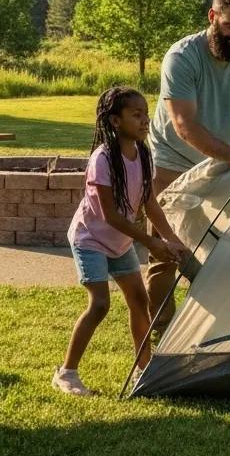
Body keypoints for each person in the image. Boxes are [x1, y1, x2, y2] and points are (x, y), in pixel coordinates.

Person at [146, 0, 230, 341]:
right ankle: (160, 337)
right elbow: (184, 125)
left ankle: (214, 331)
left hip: (216, 168)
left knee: (220, 250)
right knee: (166, 254)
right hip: (169, 166)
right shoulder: (182, 57)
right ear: (212, 17)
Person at [53, 85, 190, 397]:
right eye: (136, 115)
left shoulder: (143, 154)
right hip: (91, 239)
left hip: (120, 241)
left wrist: (171, 238)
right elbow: (111, 216)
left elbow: (149, 204)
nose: (145, 121)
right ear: (115, 121)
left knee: (139, 302)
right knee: (100, 303)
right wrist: (151, 243)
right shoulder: (102, 160)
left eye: (146, 114)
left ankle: (145, 369)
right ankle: (66, 373)